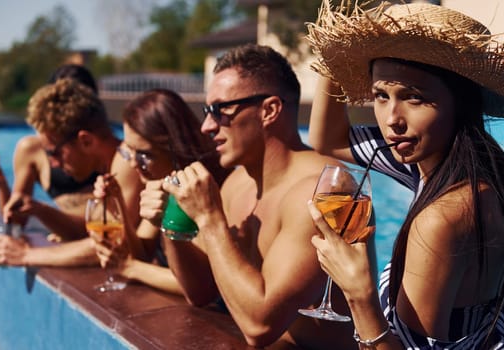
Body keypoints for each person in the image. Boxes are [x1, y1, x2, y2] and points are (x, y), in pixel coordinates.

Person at [307, 2, 504, 348]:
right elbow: (328, 140)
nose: (392, 119)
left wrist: (359, 295)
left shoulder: (442, 217)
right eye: (380, 96)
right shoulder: (473, 166)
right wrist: (338, 53)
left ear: (460, 101)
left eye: (414, 98)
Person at [139, 44, 357, 349]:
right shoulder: (236, 184)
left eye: (220, 110)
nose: (206, 126)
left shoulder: (326, 190)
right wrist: (173, 224)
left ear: (268, 110)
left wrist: (210, 219)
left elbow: (260, 326)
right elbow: (200, 292)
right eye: (206, 111)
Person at [0, 78, 142, 267]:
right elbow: (88, 234)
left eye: (54, 153)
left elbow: (112, 245)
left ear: (85, 140)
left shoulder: (127, 161)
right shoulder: (111, 169)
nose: (53, 163)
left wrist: (27, 255)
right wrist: (37, 208)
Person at [92, 88, 231, 294]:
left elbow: (204, 283)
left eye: (144, 155)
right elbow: (142, 252)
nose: (133, 164)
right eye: (128, 151)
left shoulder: (205, 191)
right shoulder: (167, 185)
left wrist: (131, 269)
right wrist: (117, 202)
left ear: (175, 148)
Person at [1, 64, 101, 241]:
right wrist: (1, 183)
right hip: (73, 236)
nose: (55, 162)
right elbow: (16, 218)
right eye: (52, 153)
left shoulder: (113, 153)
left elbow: (108, 231)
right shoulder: (32, 149)